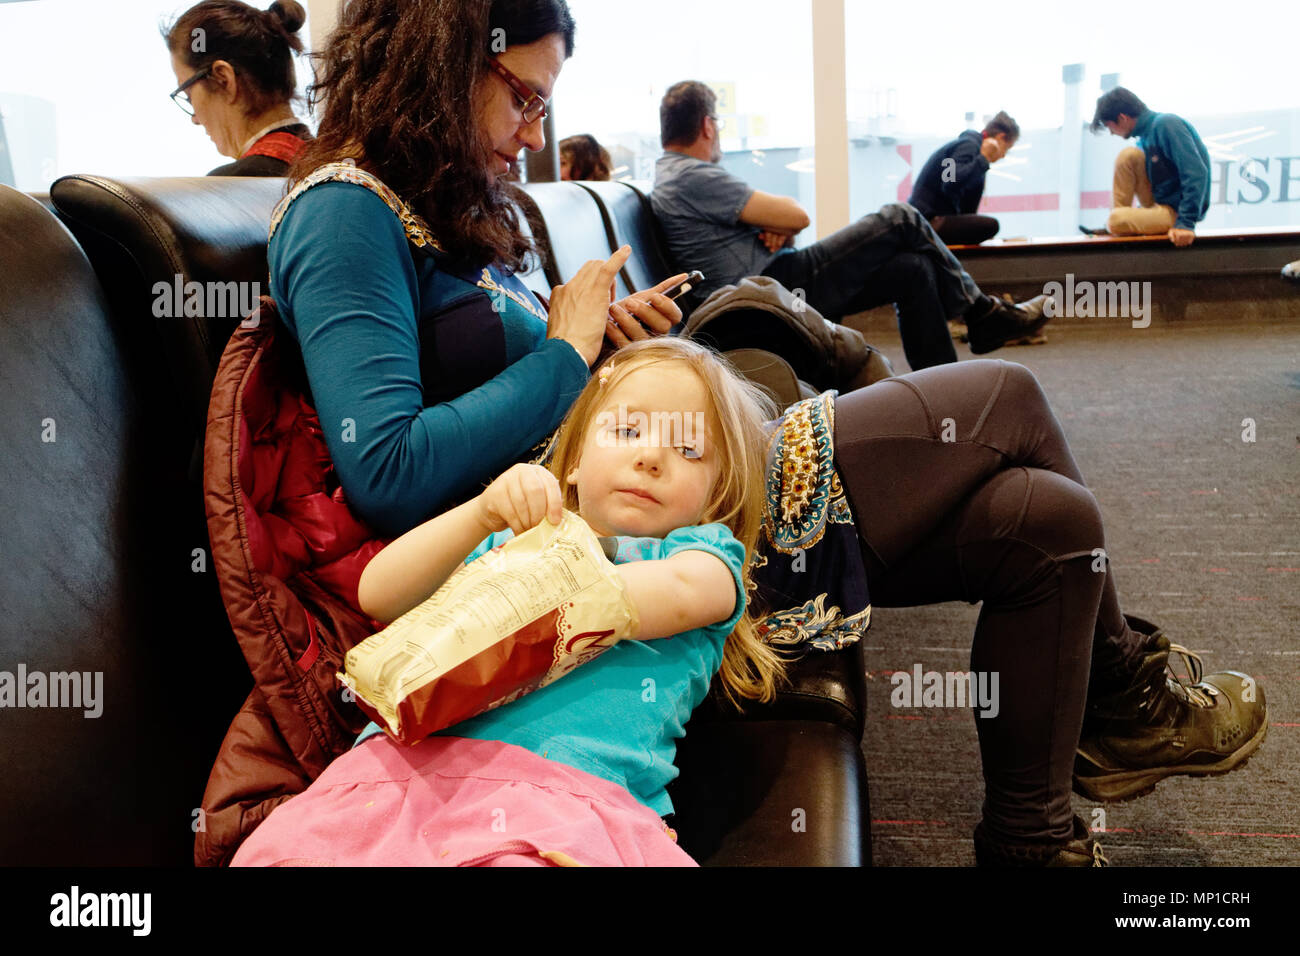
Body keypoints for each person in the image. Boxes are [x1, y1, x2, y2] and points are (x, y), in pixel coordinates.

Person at [238, 0, 1266, 867]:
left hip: (626, 479)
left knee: (1049, 520)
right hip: (609, 526)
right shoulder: (342, 212)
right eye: (522, 94)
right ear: (440, 59)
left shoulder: (435, 207)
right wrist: (565, 353)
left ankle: (1030, 839)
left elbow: (504, 373)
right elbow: (384, 465)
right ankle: (1125, 693)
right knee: (1004, 398)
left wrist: (597, 347)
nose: (529, 128)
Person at [232, 337, 781, 866]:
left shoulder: (699, 556)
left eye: (687, 448)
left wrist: (526, 591)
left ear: (718, 494)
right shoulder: (517, 539)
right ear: (573, 459)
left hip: (563, 801)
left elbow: (684, 594)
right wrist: (483, 513)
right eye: (628, 429)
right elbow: (379, 591)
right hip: (399, 776)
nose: (650, 457)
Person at [650, 81, 1051, 372]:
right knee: (900, 217)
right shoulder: (694, 176)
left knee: (913, 269)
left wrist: (778, 228)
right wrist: (780, 226)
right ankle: (983, 313)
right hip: (766, 290)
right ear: (707, 126)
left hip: (766, 282)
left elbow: (786, 221)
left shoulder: (676, 176)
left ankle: (943, 384)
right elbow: (798, 216)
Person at [164, 0, 313, 176]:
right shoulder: (331, 162)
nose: (195, 119)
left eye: (189, 96)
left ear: (223, 79)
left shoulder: (228, 186)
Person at [1082, 87, 1210, 246]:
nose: (1112, 133)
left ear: (1122, 118)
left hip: (1177, 213)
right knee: (1128, 156)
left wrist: (1186, 223)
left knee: (1116, 219)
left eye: (1110, 127)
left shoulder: (1166, 125)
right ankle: (1115, 226)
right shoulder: (1143, 137)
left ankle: (1116, 224)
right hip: (1158, 204)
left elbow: (1196, 172)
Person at [909, 111, 1019, 246]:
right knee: (991, 225)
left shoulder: (973, 152)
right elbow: (949, 181)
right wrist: (983, 159)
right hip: (928, 221)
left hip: (934, 219)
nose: (1003, 156)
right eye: (1007, 149)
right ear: (1000, 138)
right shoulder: (967, 145)